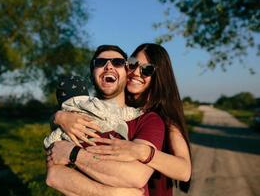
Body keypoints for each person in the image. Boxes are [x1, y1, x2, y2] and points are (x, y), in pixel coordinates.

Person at [50, 43, 192, 195]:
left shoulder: (159, 118)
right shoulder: (95, 113)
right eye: (133, 64)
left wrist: (142, 152)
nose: (136, 72)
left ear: (158, 77)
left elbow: (184, 171)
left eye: (147, 69)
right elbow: (53, 176)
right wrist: (59, 117)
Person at [43, 75, 142, 149]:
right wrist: (138, 112)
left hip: (82, 147)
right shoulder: (97, 104)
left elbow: (51, 142)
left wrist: (48, 143)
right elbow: (120, 112)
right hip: (109, 138)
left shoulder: (65, 122)